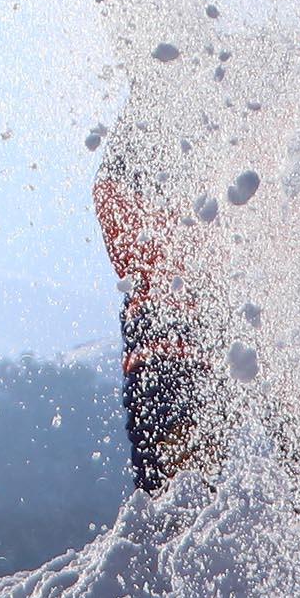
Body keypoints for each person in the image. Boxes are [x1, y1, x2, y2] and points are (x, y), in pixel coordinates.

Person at [91, 119, 222, 492]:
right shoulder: (150, 137)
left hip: (171, 349)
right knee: (186, 505)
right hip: (173, 350)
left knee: (186, 508)